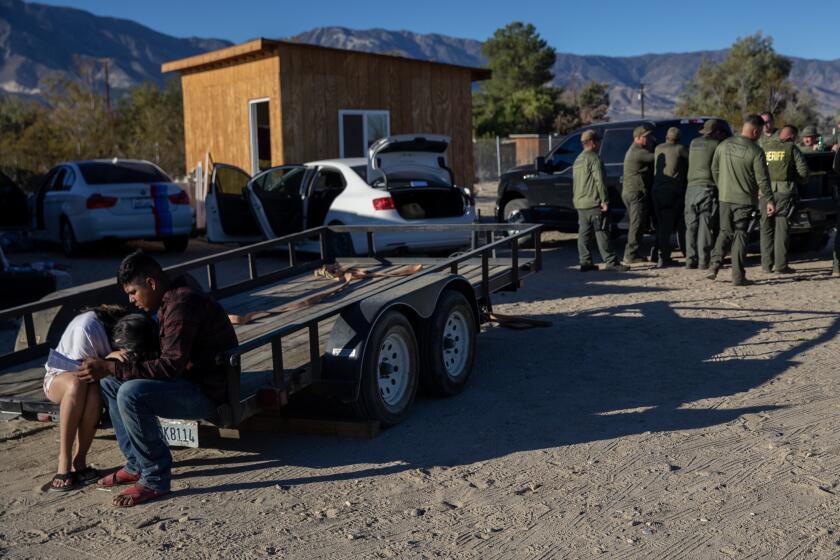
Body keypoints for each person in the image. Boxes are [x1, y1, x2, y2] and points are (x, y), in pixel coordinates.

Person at [76, 250, 238, 507]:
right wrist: (120, 365)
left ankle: (154, 478)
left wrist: (111, 367)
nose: (131, 301)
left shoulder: (181, 304)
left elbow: (170, 366)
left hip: (206, 392)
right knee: (110, 384)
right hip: (187, 381)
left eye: (133, 292)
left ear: (151, 283)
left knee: (130, 392)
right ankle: (135, 464)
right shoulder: (169, 299)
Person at [43, 304, 128, 491]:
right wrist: (110, 356)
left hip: (89, 380)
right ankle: (63, 462)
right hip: (59, 378)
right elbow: (82, 369)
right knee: (77, 382)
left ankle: (79, 460)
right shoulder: (87, 327)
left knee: (94, 393)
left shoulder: (102, 326)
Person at [707, 115, 775, 286]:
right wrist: (769, 200)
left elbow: (714, 169)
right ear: (755, 131)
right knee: (739, 235)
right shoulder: (755, 151)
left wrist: (722, 186)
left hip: (724, 198)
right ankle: (738, 276)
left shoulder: (723, 145)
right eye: (759, 133)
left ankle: (714, 266)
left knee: (724, 231)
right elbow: (763, 180)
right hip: (744, 201)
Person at [572, 129, 628, 272]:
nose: (599, 143)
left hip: (580, 203)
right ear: (592, 143)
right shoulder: (594, 158)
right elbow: (600, 181)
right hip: (593, 202)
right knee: (602, 231)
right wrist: (604, 200)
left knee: (584, 233)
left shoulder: (578, 159)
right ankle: (611, 262)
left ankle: (585, 262)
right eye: (598, 141)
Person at [760, 125, 809, 274]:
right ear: (792, 136)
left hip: (764, 192)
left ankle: (766, 265)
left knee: (766, 228)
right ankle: (781, 266)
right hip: (784, 193)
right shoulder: (792, 149)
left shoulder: (765, 147)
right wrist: (796, 179)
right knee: (782, 228)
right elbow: (804, 172)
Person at [685, 120, 726, 269]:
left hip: (690, 189)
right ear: (716, 132)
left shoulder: (693, 143)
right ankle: (704, 261)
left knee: (691, 226)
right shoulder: (716, 145)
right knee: (705, 225)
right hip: (707, 188)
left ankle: (690, 259)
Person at [652, 127, 689, 267]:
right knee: (668, 227)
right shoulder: (679, 149)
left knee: (661, 226)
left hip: (656, 191)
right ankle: (664, 258)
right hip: (670, 192)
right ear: (678, 139)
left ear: (667, 137)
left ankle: (658, 254)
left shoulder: (657, 149)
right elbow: (690, 158)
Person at [621, 125, 655, 264]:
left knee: (638, 223)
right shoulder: (638, 152)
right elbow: (655, 157)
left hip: (632, 191)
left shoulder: (636, 150)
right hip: (636, 193)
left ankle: (633, 253)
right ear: (638, 138)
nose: (649, 139)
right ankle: (630, 254)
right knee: (636, 224)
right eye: (646, 137)